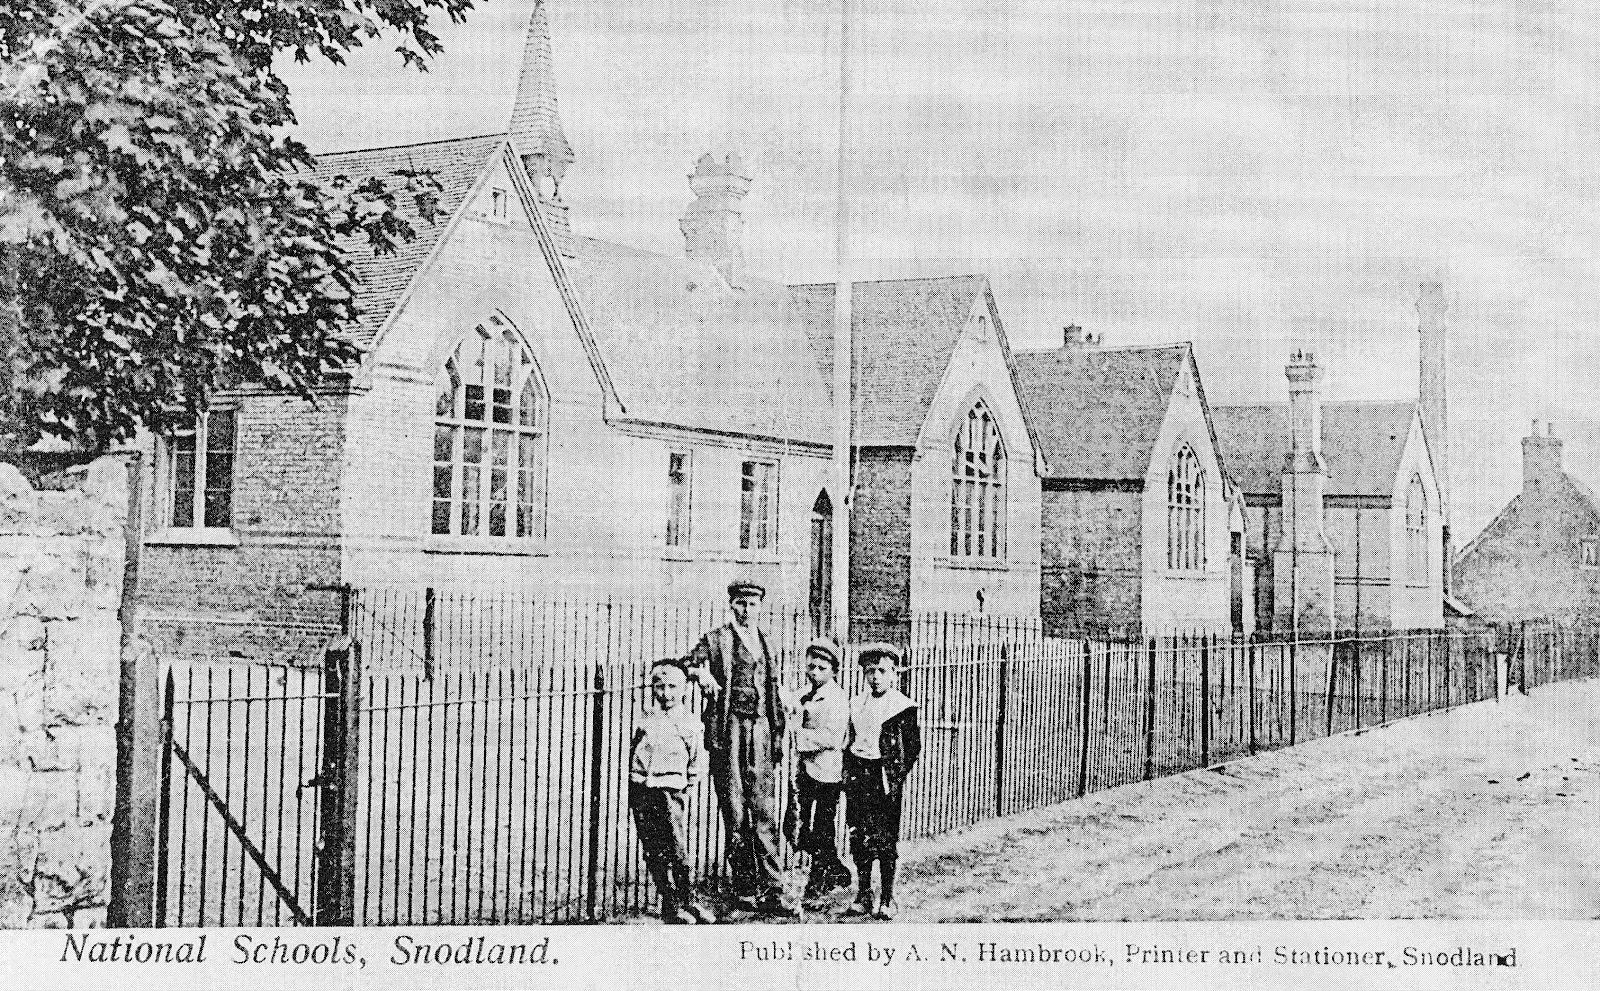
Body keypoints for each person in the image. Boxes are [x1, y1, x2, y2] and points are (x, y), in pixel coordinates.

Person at [683, 580, 793, 918]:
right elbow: (688, 663)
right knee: (735, 810)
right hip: (729, 730)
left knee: (764, 811)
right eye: (740, 604)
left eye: (752, 605)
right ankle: (745, 887)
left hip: (760, 729)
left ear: (761, 607)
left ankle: (773, 890)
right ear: (732, 606)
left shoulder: (767, 641)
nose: (746, 610)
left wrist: (776, 733)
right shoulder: (716, 639)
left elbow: (774, 691)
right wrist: (702, 674)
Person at [629, 658, 713, 925]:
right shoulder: (646, 718)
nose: (665, 693)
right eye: (659, 686)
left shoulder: (689, 723)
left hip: (671, 790)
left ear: (685, 688)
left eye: (672, 687)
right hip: (643, 790)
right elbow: (636, 751)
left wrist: (684, 784)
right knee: (653, 848)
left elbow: (696, 761)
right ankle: (669, 903)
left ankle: (688, 900)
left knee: (675, 847)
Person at [842, 642, 921, 921]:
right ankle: (863, 894)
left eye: (881, 671)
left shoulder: (903, 707)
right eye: (870, 671)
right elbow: (849, 739)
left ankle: (887, 897)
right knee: (859, 836)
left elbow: (912, 747)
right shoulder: (856, 703)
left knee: (885, 838)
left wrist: (895, 775)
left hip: (884, 779)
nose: (875, 677)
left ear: (893, 674)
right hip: (859, 774)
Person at [790, 636, 852, 907]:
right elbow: (788, 704)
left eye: (821, 668)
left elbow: (831, 736)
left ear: (833, 671)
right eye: (811, 666)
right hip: (806, 771)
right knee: (801, 827)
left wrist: (797, 735)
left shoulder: (836, 698)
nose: (814, 672)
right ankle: (837, 869)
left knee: (821, 827)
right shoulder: (806, 692)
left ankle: (818, 883)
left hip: (827, 773)